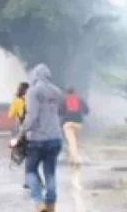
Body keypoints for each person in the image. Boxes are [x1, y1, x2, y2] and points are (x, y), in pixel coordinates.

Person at [17, 63, 63, 212]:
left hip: (37, 139)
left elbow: (32, 116)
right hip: (55, 137)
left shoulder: (33, 91)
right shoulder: (57, 92)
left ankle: (38, 201)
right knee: (50, 172)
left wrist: (21, 133)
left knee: (30, 171)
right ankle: (51, 204)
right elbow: (58, 113)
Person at [59, 86, 89, 167]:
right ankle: (71, 160)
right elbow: (87, 110)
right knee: (75, 142)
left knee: (71, 142)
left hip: (68, 123)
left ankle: (77, 160)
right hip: (78, 123)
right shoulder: (80, 100)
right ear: (75, 92)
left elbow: (59, 112)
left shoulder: (64, 100)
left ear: (66, 93)